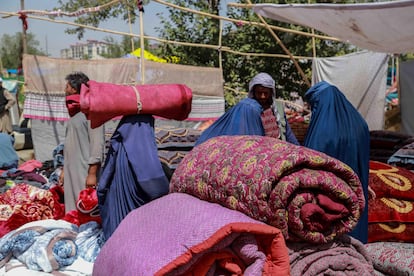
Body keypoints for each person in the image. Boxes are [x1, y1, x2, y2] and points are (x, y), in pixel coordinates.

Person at [303, 81, 370, 244]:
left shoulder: (323, 128)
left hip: (330, 196)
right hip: (356, 189)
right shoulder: (359, 122)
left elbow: (311, 159)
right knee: (355, 233)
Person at [97, 114, 170, 240]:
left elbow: (103, 184)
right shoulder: (141, 142)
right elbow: (155, 186)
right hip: (136, 225)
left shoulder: (119, 145)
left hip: (115, 217)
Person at [195, 72, 299, 146]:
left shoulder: (278, 108)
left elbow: (287, 132)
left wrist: (298, 149)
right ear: (253, 92)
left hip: (279, 150)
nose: (262, 96)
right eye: (259, 93)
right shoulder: (249, 109)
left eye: (266, 93)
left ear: (271, 92)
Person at [63, 72, 105, 213]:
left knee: (85, 208)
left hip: (84, 171)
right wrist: (64, 169)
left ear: (74, 89)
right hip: (72, 170)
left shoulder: (92, 112)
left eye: (67, 86)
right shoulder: (75, 114)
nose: (65, 90)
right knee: (72, 209)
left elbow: (97, 144)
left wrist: (92, 174)